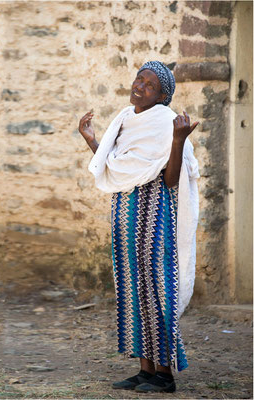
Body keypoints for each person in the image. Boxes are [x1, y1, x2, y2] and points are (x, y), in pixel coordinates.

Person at [78, 61, 199, 393]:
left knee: (157, 290)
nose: (139, 86)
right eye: (138, 79)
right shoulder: (124, 118)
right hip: (124, 217)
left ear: (162, 95)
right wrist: (91, 139)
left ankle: (165, 374)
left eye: (148, 85)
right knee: (132, 291)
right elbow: (115, 166)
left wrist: (177, 140)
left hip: (152, 217)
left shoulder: (165, 122)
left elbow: (171, 179)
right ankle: (145, 370)